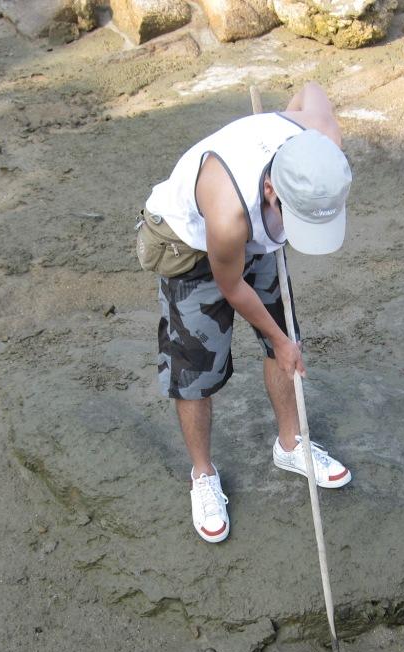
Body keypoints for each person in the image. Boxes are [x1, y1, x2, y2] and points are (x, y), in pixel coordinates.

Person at [137, 82, 353, 544]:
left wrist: (282, 340)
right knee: (196, 369)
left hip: (255, 229)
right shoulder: (228, 210)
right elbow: (231, 286)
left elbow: (310, 89)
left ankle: (290, 444)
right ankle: (202, 475)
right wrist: (278, 338)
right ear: (271, 188)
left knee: (286, 339)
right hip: (190, 244)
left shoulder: (322, 141)